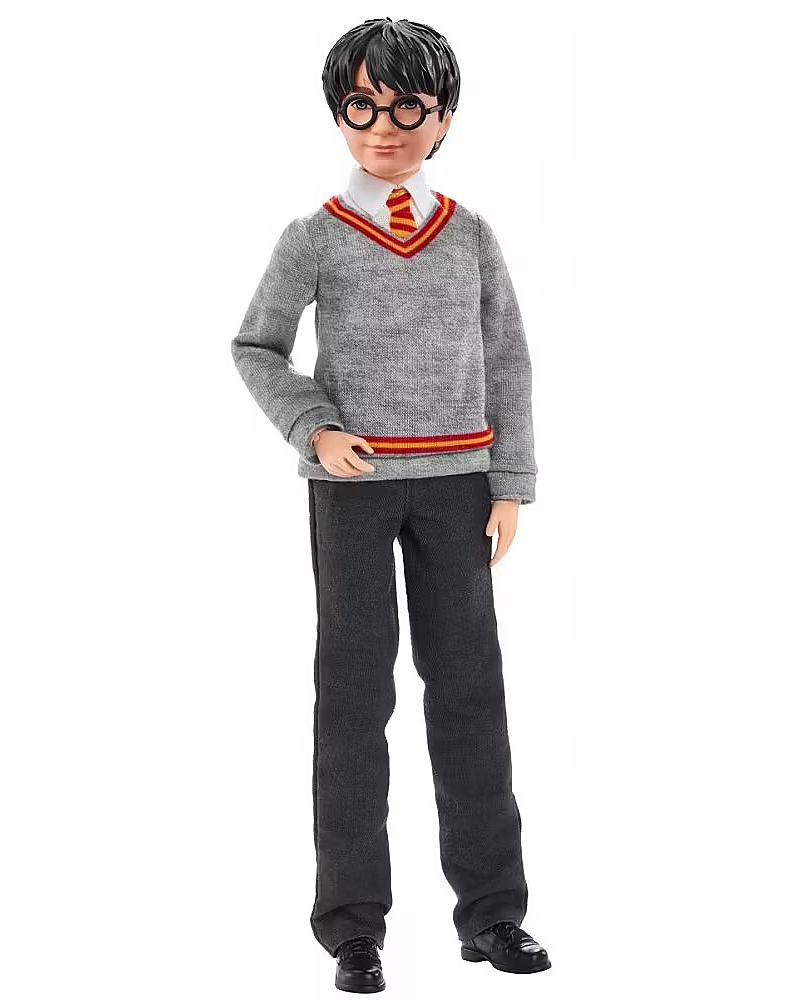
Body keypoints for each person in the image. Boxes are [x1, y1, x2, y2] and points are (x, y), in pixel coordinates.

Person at [231, 16, 550, 992]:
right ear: (339, 114)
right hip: (354, 490)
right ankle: (352, 923)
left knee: (469, 690)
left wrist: (511, 481)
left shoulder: (471, 235)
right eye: (362, 105)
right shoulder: (315, 236)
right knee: (353, 695)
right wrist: (313, 427)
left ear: (443, 117)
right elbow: (256, 346)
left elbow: (506, 358)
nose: (385, 127)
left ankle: (492, 912)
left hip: (459, 488)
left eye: (409, 106)